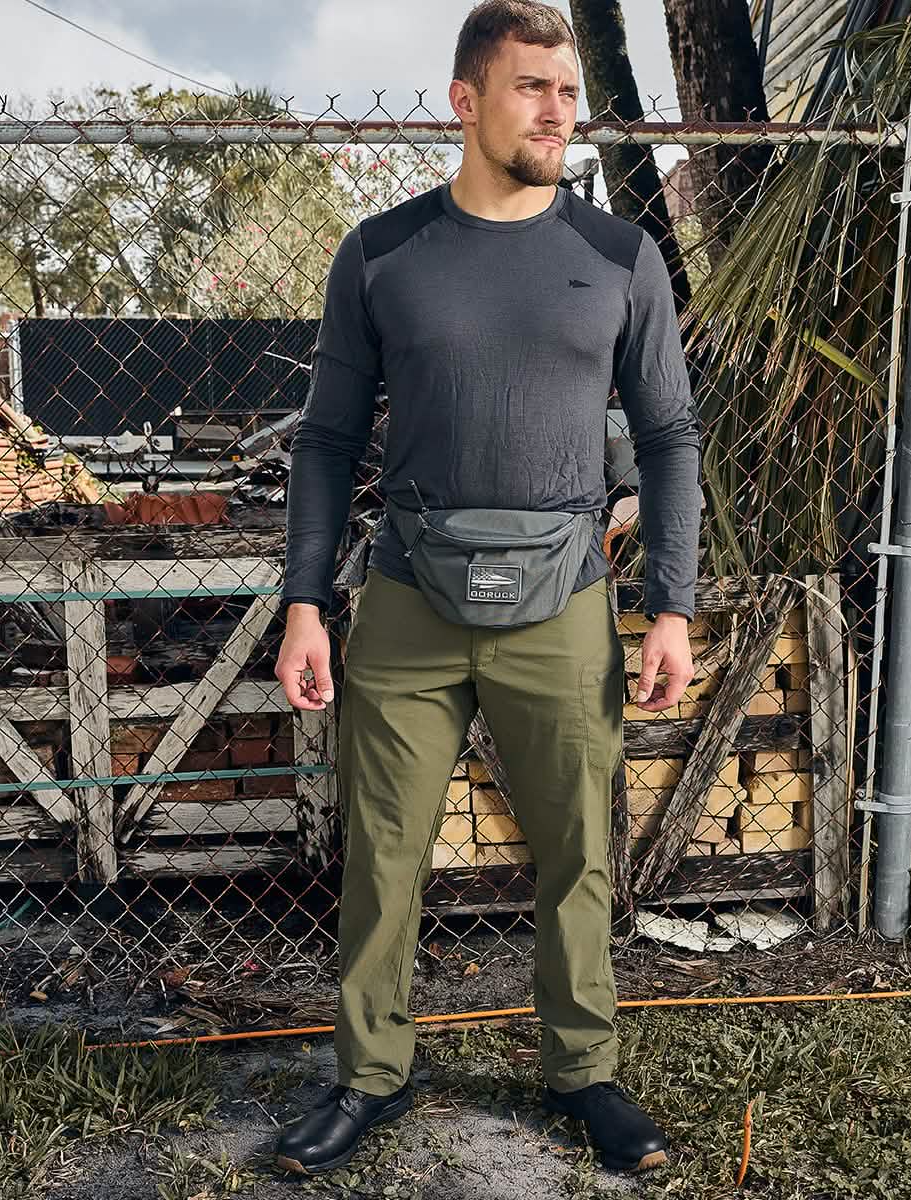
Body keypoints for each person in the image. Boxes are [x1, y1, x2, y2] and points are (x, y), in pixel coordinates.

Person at [272, 0, 702, 1177]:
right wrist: (306, 601)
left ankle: (584, 1073)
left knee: (577, 853)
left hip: (565, 601)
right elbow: (325, 439)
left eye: (569, 92)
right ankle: (369, 1073)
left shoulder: (619, 257)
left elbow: (668, 436)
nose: (559, 111)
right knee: (383, 851)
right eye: (533, 89)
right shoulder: (382, 252)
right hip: (408, 596)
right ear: (466, 101)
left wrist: (670, 603)